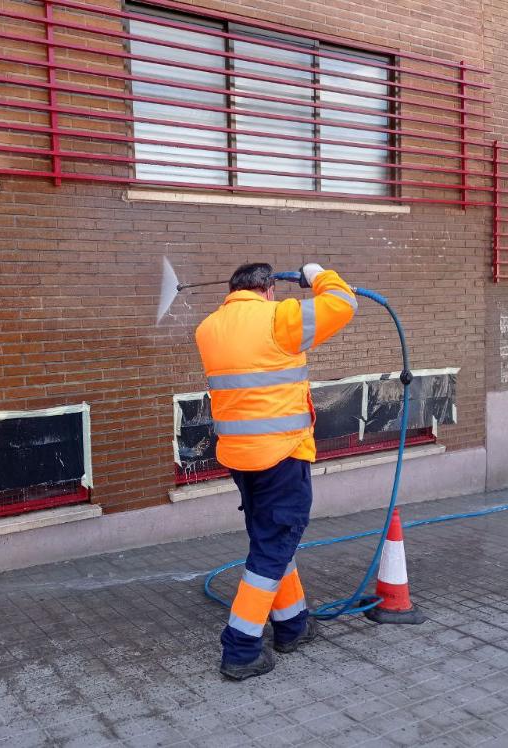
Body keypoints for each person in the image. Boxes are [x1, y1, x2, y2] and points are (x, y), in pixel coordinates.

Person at [194, 261, 357, 680]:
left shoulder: (209, 328)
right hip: (282, 454)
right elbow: (342, 302)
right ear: (268, 289)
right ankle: (241, 648)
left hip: (239, 457)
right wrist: (317, 273)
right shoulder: (278, 317)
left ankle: (292, 625)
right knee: (272, 547)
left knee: (272, 539)